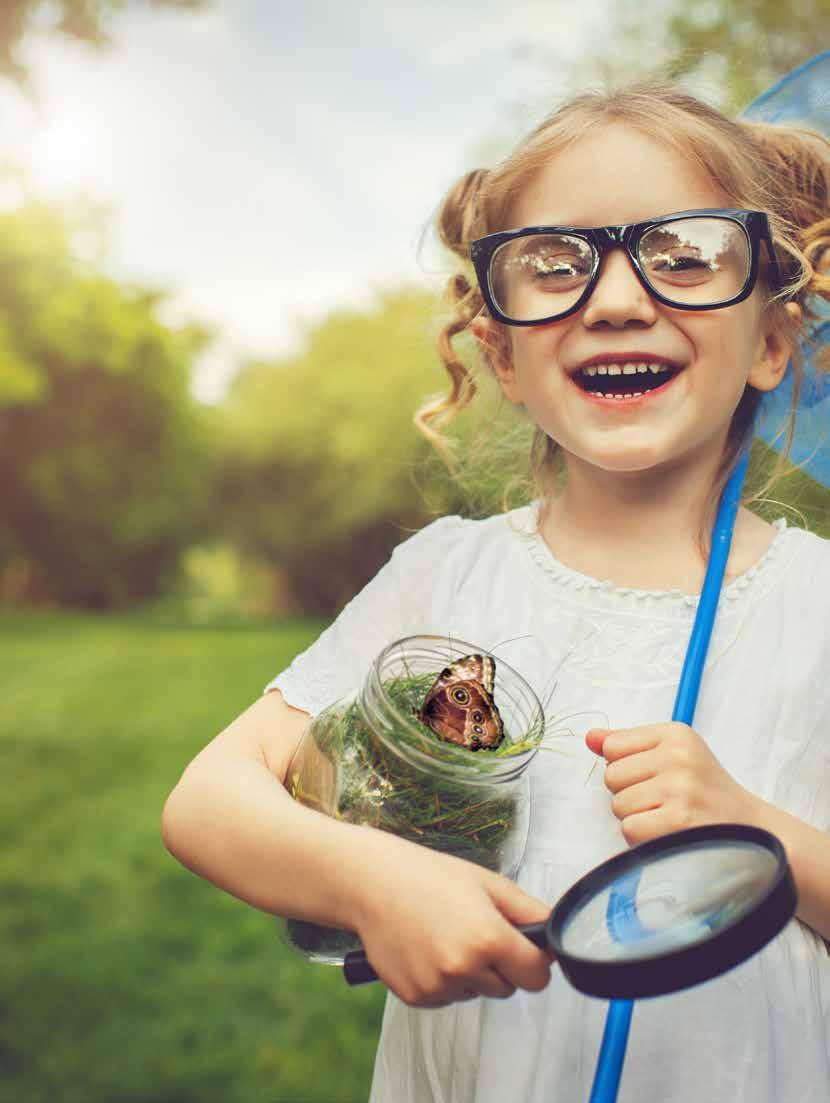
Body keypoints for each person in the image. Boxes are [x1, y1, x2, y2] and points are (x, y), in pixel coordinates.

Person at [162, 78, 830, 1102]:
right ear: (502, 352)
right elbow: (209, 799)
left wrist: (759, 830)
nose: (613, 299)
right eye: (554, 265)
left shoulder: (816, 604)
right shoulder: (448, 572)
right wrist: (376, 878)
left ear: (773, 341)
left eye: (683, 255)